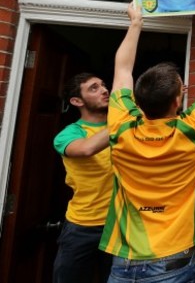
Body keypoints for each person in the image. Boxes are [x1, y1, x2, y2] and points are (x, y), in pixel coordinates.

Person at [99, 3, 195, 282]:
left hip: (124, 262)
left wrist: (135, 24)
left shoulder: (120, 128)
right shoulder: (191, 132)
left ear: (137, 101)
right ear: (179, 100)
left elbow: (122, 70)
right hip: (173, 263)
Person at [52, 73, 113, 283]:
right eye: (94, 88)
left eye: (104, 85)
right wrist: (124, 120)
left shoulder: (124, 128)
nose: (105, 90)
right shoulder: (69, 134)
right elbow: (87, 149)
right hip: (82, 226)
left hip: (118, 226)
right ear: (77, 101)